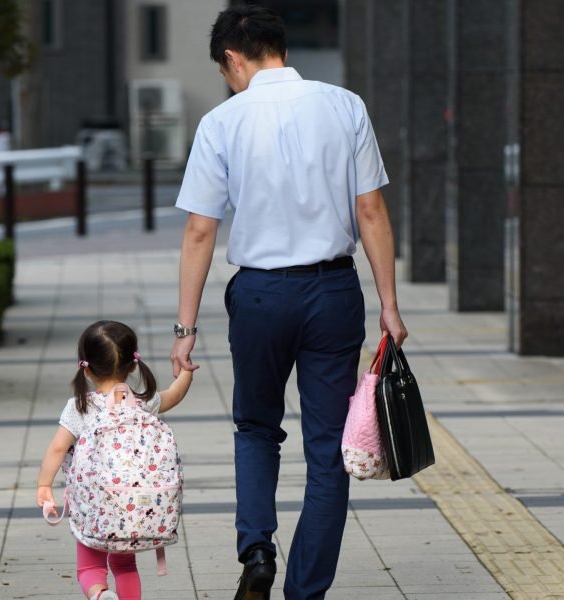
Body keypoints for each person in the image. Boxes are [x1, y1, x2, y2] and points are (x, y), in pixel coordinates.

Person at [169, 5, 408, 600]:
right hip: (333, 293)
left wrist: (185, 329)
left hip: (260, 295)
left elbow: (200, 231)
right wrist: (389, 303)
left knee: (255, 428)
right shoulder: (345, 106)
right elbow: (371, 210)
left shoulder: (222, 122)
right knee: (329, 450)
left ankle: (256, 551)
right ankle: (306, 591)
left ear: (231, 57)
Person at [38, 320, 194, 600]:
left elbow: (58, 448)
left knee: (90, 567)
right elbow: (174, 395)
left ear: (85, 368)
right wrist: (186, 370)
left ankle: (100, 595)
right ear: (133, 365)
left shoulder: (80, 407)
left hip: (93, 505)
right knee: (125, 566)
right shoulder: (141, 402)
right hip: (129, 505)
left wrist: (43, 485)